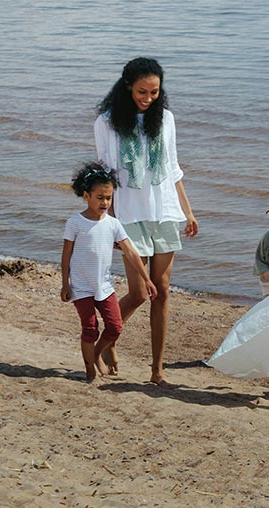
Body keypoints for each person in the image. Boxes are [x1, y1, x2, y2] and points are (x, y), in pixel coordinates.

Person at [94, 57, 199, 386]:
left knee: (163, 291)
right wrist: (106, 219)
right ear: (127, 86)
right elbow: (104, 174)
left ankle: (157, 370)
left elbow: (173, 169)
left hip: (165, 212)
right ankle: (106, 340)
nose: (148, 98)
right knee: (140, 292)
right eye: (142, 91)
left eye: (154, 92)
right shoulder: (107, 122)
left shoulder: (165, 119)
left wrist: (188, 211)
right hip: (129, 214)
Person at [61, 162, 157, 381]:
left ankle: (96, 354)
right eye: (100, 197)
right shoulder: (75, 222)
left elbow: (130, 252)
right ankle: (89, 372)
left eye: (109, 197)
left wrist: (147, 279)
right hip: (81, 286)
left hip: (104, 286)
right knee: (90, 329)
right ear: (86, 196)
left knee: (115, 327)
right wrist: (65, 284)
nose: (105, 202)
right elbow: (66, 255)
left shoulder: (113, 224)